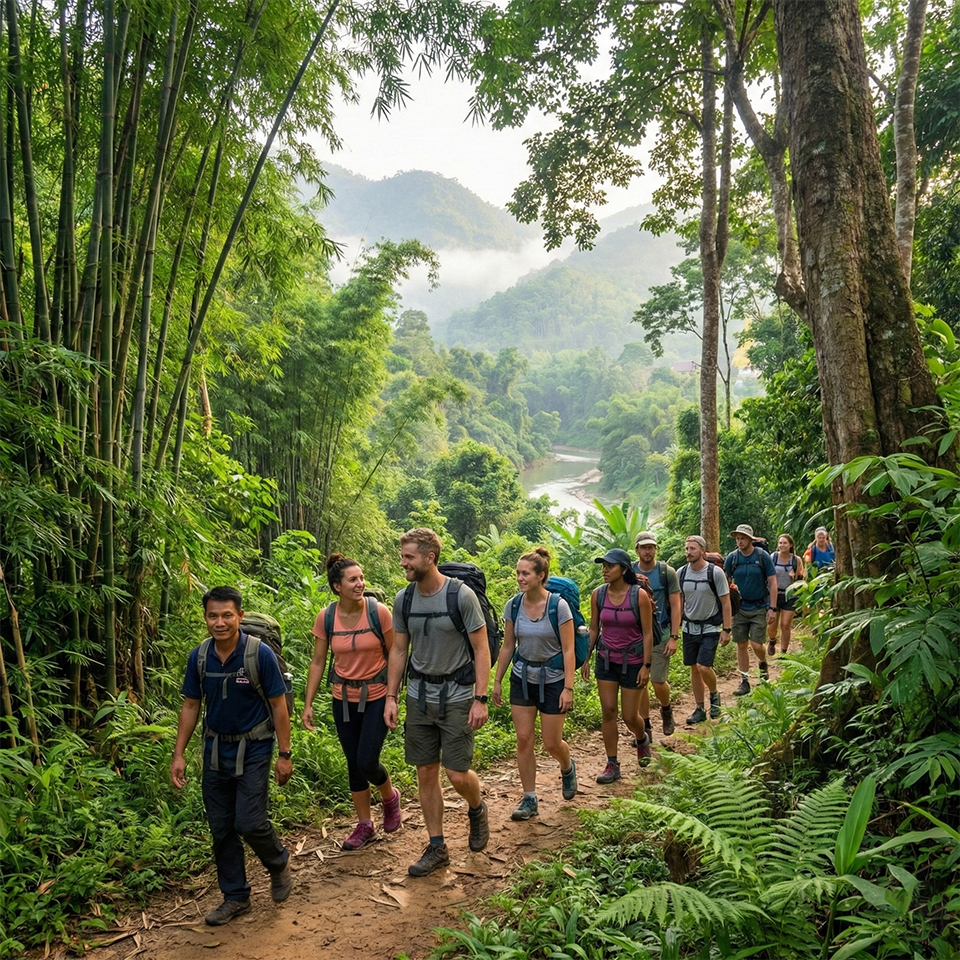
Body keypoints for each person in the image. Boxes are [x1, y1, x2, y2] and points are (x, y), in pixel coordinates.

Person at [170, 586, 292, 926]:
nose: (220, 622)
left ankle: (278, 862)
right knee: (221, 826)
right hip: (214, 749)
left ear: (239, 615)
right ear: (205, 617)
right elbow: (191, 705)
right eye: (213, 615)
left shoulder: (259, 655)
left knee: (249, 821)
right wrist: (178, 754)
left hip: (254, 746)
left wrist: (285, 754)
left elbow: (279, 707)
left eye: (227, 615)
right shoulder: (199, 657)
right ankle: (236, 896)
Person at [384, 528, 490, 877]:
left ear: (430, 558)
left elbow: (481, 648)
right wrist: (391, 696)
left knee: (457, 774)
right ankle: (437, 846)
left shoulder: (460, 596)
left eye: (409, 557)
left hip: (458, 696)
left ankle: (476, 806)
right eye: (403, 557)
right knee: (426, 771)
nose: (404, 563)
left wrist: (481, 698)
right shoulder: (405, 599)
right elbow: (399, 649)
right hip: (419, 696)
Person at [302, 555, 401, 850]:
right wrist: (307, 704)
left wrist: (393, 697)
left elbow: (396, 653)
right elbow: (319, 661)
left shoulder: (378, 612)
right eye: (353, 580)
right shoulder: (326, 617)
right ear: (337, 587)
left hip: (377, 696)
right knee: (353, 764)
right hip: (343, 698)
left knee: (366, 760)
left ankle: (389, 796)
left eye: (361, 578)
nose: (361, 584)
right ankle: (364, 824)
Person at [493, 548, 578, 821]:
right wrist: (497, 680)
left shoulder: (558, 606)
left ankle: (567, 765)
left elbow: (568, 650)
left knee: (552, 742)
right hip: (522, 678)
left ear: (541, 576)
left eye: (525, 573)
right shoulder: (513, 605)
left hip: (553, 680)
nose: (519, 578)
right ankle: (529, 797)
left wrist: (568, 687)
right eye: (518, 573)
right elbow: (508, 646)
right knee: (523, 739)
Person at [582, 547, 654, 782]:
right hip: (606, 660)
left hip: (633, 662)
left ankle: (642, 738)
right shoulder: (598, 595)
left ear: (623, 569)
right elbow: (594, 628)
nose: (605, 570)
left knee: (630, 716)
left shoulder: (638, 596)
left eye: (609, 566)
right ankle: (612, 763)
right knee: (609, 711)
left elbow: (647, 633)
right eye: (603, 566)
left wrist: (646, 665)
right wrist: (586, 656)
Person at [632, 531, 682, 747]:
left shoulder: (666, 572)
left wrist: (673, 636)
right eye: (643, 547)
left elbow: (676, 604)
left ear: (656, 549)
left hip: (660, 633)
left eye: (651, 547)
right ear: (637, 550)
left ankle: (666, 708)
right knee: (640, 683)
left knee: (658, 680)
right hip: (635, 637)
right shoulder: (629, 572)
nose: (647, 551)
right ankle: (646, 728)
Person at [677, 536, 733, 723]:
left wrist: (727, 629)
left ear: (702, 550)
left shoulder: (715, 573)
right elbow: (679, 601)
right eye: (686, 548)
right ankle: (699, 708)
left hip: (710, 627)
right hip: (689, 627)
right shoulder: (681, 573)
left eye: (692, 548)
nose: (688, 552)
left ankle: (715, 695)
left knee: (703, 666)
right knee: (694, 668)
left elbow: (726, 602)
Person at [724, 524, 777, 697]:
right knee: (741, 644)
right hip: (739, 608)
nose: (740, 542)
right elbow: (725, 583)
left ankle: (762, 663)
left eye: (743, 538)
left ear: (750, 539)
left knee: (756, 644)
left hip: (759, 606)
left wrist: (773, 608)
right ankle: (744, 680)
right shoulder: (732, 558)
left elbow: (773, 582)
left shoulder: (762, 557)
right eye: (737, 539)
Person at [767, 535, 805, 656]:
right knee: (772, 625)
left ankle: (783, 652)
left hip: (790, 595)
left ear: (790, 545)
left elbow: (802, 578)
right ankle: (772, 640)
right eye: (780, 543)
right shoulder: (773, 557)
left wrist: (796, 576)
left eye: (785, 543)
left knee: (785, 625)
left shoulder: (796, 560)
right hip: (774, 595)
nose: (782, 545)